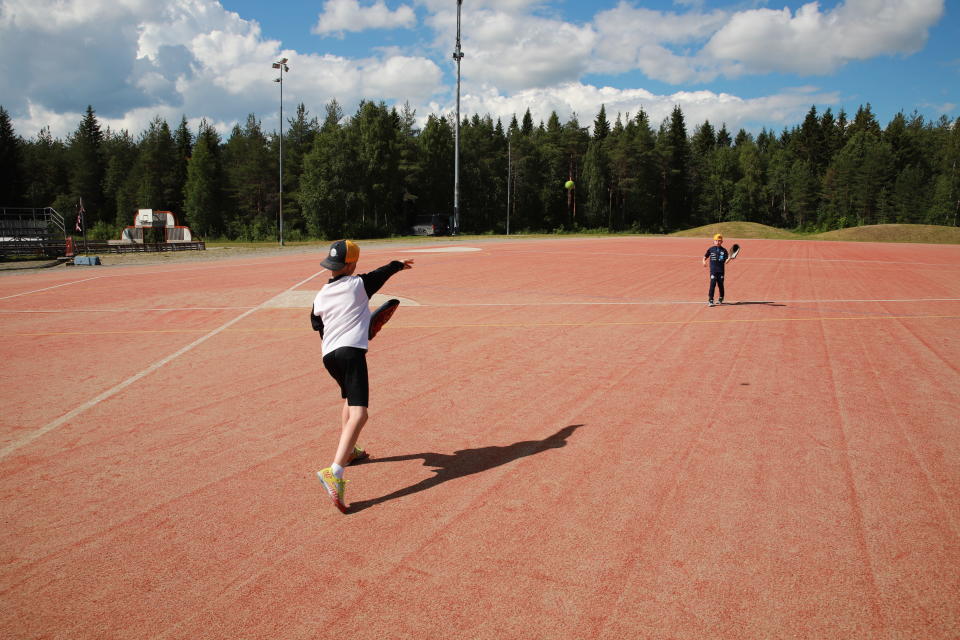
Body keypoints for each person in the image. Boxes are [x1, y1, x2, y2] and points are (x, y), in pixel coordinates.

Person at [311, 239, 414, 513]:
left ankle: (352, 449)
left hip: (328, 356)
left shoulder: (320, 295)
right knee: (360, 413)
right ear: (352, 264)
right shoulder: (359, 284)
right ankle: (335, 471)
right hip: (351, 353)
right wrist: (398, 265)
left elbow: (316, 324)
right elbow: (381, 274)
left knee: (348, 400)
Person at [702, 233, 732, 306]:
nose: (718, 242)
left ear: (722, 242)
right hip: (713, 271)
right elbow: (705, 256)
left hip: (721, 271)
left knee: (720, 285)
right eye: (716, 240)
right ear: (713, 241)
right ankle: (711, 300)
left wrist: (730, 258)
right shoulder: (711, 249)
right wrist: (703, 261)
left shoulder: (724, 250)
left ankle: (721, 297)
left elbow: (726, 262)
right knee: (712, 284)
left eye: (719, 240)